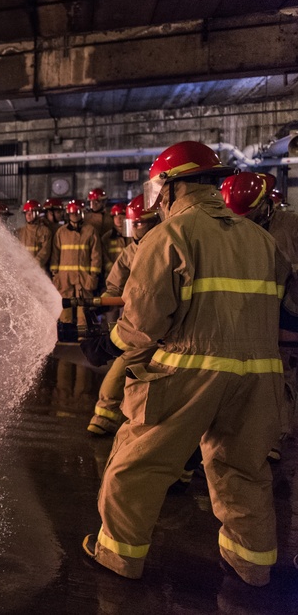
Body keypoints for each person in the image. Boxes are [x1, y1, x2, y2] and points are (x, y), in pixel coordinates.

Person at [82, 141, 291, 587]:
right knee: (243, 471)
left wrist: (112, 343)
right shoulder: (261, 239)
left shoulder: (169, 236)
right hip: (259, 376)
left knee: (137, 465)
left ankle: (118, 556)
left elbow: (143, 321)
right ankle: (251, 566)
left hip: (188, 372)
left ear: (171, 187)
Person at [221, 171, 298, 461]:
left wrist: (290, 313)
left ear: (266, 203)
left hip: (283, 315)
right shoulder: (233, 227)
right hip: (246, 316)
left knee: (280, 375)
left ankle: (275, 439)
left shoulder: (290, 226)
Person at [86, 195, 159, 436]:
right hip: (139, 324)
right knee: (122, 371)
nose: (134, 229)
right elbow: (115, 284)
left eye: (138, 223)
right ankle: (105, 417)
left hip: (159, 325)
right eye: (132, 224)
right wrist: (102, 303)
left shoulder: (165, 245)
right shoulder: (131, 251)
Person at [51, 199, 102, 326]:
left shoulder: (90, 230)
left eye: (77, 213)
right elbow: (55, 254)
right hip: (64, 277)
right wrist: (55, 273)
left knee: (83, 308)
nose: (75, 215)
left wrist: (93, 275)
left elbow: (96, 254)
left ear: (82, 213)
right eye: (72, 213)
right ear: (68, 214)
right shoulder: (61, 232)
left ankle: (83, 337)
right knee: (65, 308)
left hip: (83, 277)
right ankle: (65, 337)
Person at [15, 199, 52, 273]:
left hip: (38, 271)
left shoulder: (45, 231)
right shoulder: (19, 232)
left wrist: (34, 265)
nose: (28, 215)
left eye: (31, 212)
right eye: (26, 213)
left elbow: (45, 252)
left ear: (38, 213)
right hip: (22, 270)